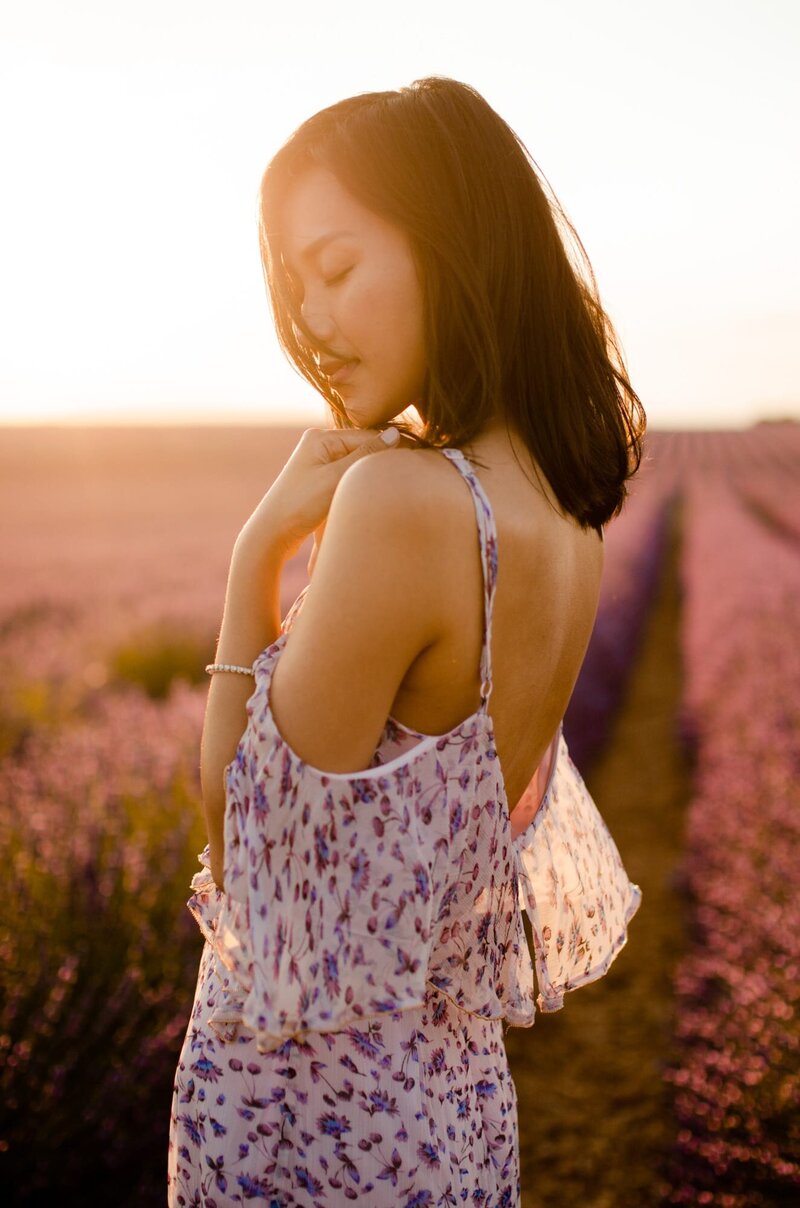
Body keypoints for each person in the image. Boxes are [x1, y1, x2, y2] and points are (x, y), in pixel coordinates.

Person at [168, 76, 644, 1206]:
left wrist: (255, 552)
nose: (311, 324)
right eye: (293, 286)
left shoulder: (404, 501)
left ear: (453, 245)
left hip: (316, 1129)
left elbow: (251, 862)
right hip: (452, 1109)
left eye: (335, 268)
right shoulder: (559, 510)